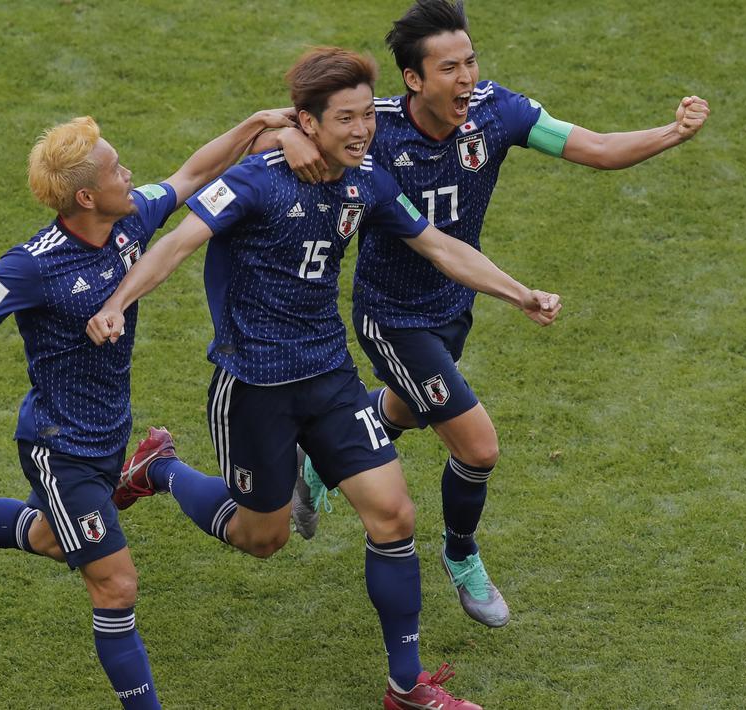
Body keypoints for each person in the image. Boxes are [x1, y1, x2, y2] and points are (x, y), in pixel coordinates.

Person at [87, 47, 560, 709]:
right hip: (254, 387)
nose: (363, 130)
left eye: (367, 115)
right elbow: (174, 245)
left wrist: (518, 293)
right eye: (346, 119)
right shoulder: (255, 181)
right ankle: (160, 468)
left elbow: (436, 244)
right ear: (308, 123)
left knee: (393, 515)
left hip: (330, 378)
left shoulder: (365, 178)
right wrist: (115, 304)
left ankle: (406, 686)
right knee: (263, 538)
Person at [272, 0, 711, 629]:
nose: (467, 78)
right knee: (477, 446)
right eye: (449, 67)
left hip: (454, 306)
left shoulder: (497, 112)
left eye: (471, 61)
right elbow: (289, 128)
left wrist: (671, 133)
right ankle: (462, 554)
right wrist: (290, 134)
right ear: (414, 80)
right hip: (391, 314)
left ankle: (320, 459)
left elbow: (598, 148)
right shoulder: (377, 132)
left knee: (405, 406)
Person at [0, 108, 294, 709]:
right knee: (115, 583)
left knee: (54, 537)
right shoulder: (31, 265)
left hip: (107, 437)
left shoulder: (129, 222)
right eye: (115, 169)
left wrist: (253, 123)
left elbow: (192, 174)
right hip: (59, 447)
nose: (129, 173)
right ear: (85, 195)